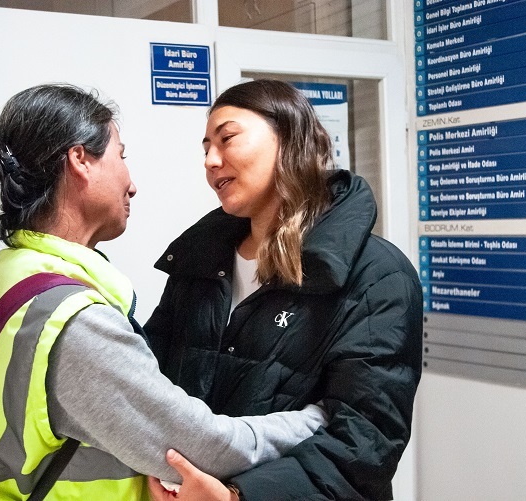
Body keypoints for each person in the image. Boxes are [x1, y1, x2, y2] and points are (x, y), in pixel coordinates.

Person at [0, 83, 328, 500]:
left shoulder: (19, 274)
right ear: (80, 160)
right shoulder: (74, 322)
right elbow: (204, 447)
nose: (132, 185)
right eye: (121, 156)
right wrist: (318, 418)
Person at [145, 79, 423, 500]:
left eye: (227, 139)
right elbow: (155, 384)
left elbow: (366, 440)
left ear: (289, 140)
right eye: (205, 149)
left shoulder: (377, 274)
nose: (211, 161)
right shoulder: (196, 262)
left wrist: (238, 495)